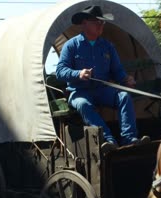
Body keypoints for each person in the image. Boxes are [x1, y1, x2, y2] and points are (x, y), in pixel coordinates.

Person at [55, 5, 149, 153]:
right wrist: (78, 74)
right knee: (84, 104)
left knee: (123, 96)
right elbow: (60, 72)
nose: (101, 25)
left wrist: (126, 80)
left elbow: (117, 71)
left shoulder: (107, 46)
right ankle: (108, 140)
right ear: (84, 23)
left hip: (102, 90)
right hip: (80, 92)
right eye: (96, 21)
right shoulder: (71, 46)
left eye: (102, 22)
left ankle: (129, 138)